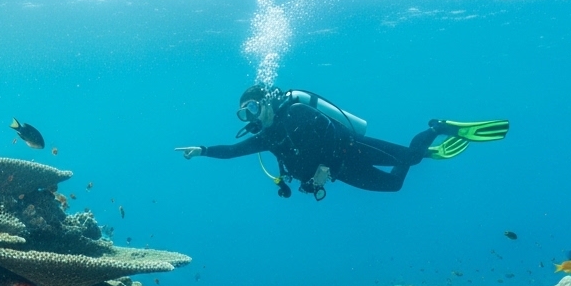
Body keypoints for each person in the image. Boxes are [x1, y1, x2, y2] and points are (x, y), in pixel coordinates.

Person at [176, 84, 508, 199]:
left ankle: (438, 127)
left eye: (251, 108)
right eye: (243, 114)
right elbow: (233, 151)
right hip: (341, 171)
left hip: (352, 150)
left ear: (264, 101)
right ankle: (426, 151)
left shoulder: (295, 113)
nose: (249, 118)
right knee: (395, 186)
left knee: (410, 158)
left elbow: (334, 133)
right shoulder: (268, 137)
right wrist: (202, 151)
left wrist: (323, 167)